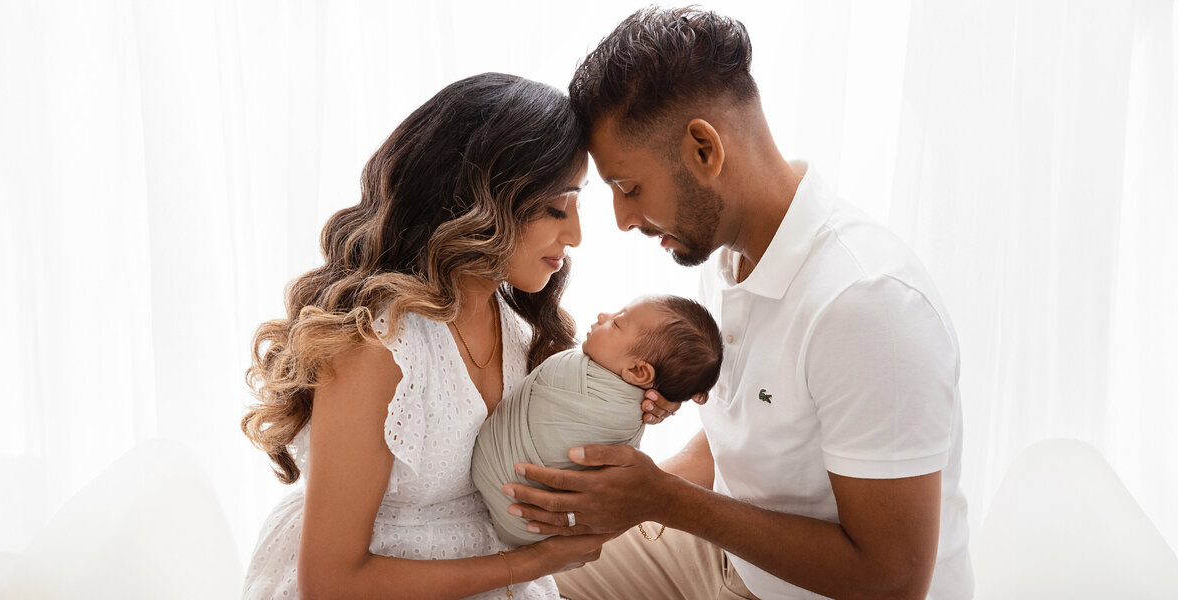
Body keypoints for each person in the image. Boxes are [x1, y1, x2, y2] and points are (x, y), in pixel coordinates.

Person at [501, 7, 973, 600]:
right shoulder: (728, 255)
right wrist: (621, 495)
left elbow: (892, 579)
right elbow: (752, 444)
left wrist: (660, 499)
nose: (621, 221)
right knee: (518, 576)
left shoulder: (867, 304)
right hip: (723, 555)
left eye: (629, 189)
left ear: (704, 149)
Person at [238, 72, 662, 600]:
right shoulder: (380, 347)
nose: (575, 235)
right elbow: (330, 584)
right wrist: (529, 563)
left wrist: (625, 403)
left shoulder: (515, 325)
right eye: (557, 206)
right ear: (477, 200)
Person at [472, 295, 722, 546]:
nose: (603, 316)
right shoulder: (634, 403)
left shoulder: (587, 385)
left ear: (637, 371)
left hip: (517, 506)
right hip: (524, 529)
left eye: (616, 324)